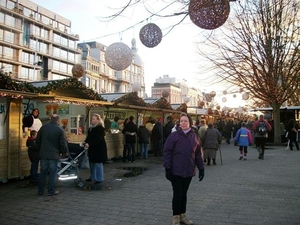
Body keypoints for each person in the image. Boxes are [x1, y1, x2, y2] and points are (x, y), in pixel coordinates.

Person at [163, 112, 205, 225]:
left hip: (189, 170)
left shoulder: (194, 137)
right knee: (177, 194)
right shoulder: (174, 136)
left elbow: (197, 155)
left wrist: (201, 168)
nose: (183, 123)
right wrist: (167, 168)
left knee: (184, 194)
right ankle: (176, 217)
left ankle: (183, 215)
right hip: (176, 171)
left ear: (190, 123)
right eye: (181, 121)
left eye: (185, 121)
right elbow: (167, 152)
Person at [36, 114, 68, 196]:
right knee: (52, 174)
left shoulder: (43, 128)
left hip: (43, 154)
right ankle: (51, 191)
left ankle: (40, 191)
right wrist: (63, 153)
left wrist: (40, 150)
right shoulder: (60, 130)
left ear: (51, 119)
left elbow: (37, 140)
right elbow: (62, 144)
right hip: (54, 155)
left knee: (43, 173)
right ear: (58, 121)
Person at [84, 114, 108, 184]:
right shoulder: (91, 128)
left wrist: (89, 143)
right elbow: (89, 137)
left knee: (98, 163)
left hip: (99, 148)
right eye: (92, 119)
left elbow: (98, 139)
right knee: (92, 163)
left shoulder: (100, 128)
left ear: (98, 120)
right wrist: (85, 142)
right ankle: (92, 177)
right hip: (92, 148)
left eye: (94, 119)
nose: (92, 120)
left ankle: (99, 178)